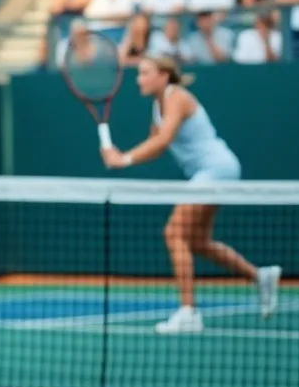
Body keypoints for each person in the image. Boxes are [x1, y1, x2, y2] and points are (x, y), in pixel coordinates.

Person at [100, 55, 281, 335]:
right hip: (216, 171)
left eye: (145, 73)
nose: (139, 79)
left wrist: (123, 159)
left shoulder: (177, 97)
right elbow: (155, 146)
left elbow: (164, 139)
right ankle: (260, 276)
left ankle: (188, 312)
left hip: (216, 169)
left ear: (164, 75)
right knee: (197, 241)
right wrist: (118, 156)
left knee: (174, 233)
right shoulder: (157, 106)